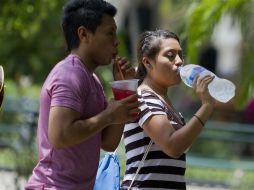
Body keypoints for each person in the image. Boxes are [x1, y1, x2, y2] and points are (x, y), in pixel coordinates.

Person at [25, 0, 139, 189]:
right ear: (84, 34)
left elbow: (109, 143)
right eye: (110, 33)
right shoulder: (69, 75)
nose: (116, 41)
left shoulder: (91, 79)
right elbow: (60, 136)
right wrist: (109, 115)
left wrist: (123, 90)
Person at [121, 30, 215, 190]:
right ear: (147, 62)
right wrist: (206, 106)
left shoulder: (165, 103)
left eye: (180, 55)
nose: (179, 61)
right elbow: (173, 146)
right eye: (170, 55)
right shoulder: (144, 97)